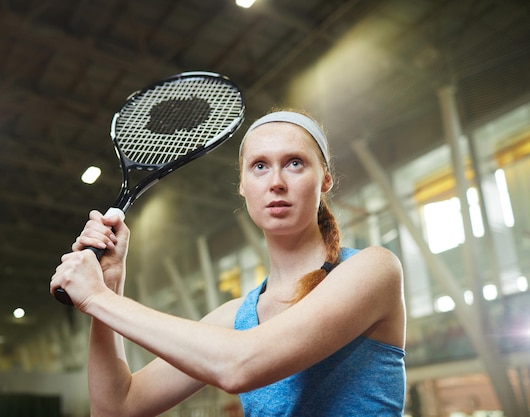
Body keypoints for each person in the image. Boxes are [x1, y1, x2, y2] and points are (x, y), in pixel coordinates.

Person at [50, 109, 407, 416]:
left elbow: (239, 366)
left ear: (325, 179)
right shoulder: (236, 318)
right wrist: (110, 283)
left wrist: (98, 298)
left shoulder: (372, 270)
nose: (277, 182)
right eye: (259, 167)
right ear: (242, 185)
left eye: (295, 163)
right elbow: (115, 408)